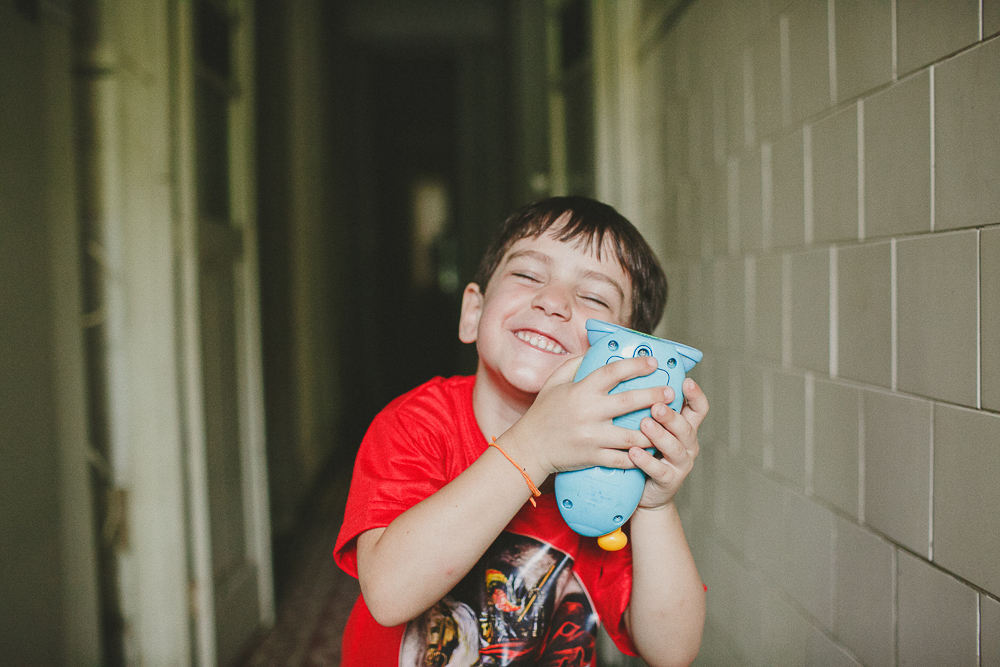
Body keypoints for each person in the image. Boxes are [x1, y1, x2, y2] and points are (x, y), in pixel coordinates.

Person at [333, 196, 709, 667]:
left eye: (593, 297)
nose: (553, 301)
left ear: (632, 360)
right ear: (473, 312)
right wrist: (534, 446)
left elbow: (672, 651)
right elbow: (389, 594)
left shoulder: (615, 468)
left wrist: (655, 504)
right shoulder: (416, 424)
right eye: (528, 274)